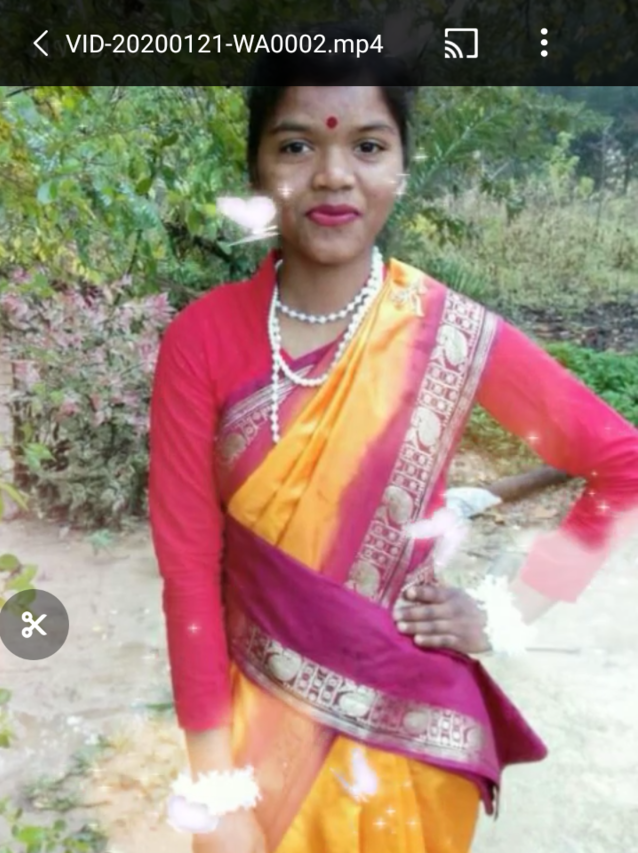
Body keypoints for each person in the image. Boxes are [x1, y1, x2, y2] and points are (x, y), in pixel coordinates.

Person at [148, 28, 638, 853]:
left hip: (407, 749)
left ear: (402, 168)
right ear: (258, 172)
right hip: (257, 745)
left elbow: (621, 462)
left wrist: (505, 612)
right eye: (297, 145)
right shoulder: (203, 340)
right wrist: (214, 784)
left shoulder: (446, 330)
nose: (333, 173)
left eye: (368, 145)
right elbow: (189, 574)